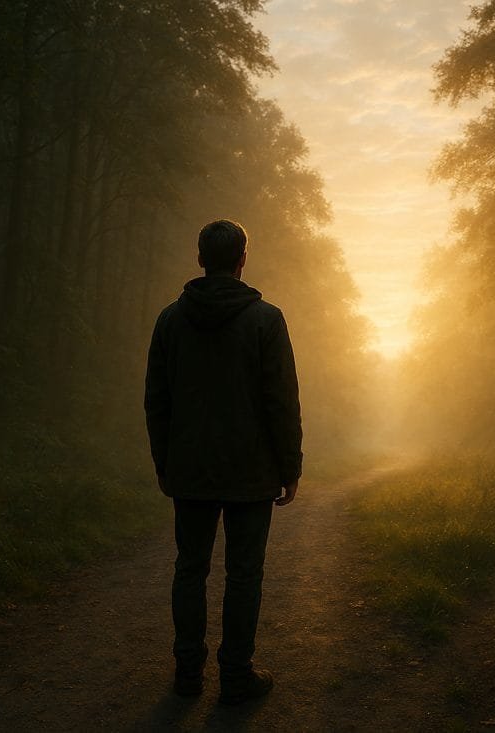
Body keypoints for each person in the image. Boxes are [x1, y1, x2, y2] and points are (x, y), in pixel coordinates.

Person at [144, 219, 302, 705]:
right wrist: (289, 467)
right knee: (244, 574)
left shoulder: (171, 320)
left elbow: (157, 400)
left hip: (190, 469)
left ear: (199, 259)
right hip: (250, 474)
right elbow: (281, 400)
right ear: (242, 259)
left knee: (190, 569)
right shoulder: (266, 320)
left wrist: (164, 464)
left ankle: (187, 674)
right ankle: (236, 676)